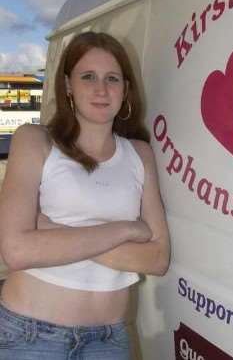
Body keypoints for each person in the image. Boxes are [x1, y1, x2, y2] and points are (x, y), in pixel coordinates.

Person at [0, 31, 170, 359]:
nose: (101, 89)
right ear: (67, 86)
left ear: (126, 89)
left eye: (112, 79)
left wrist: (52, 232)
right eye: (88, 76)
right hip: (30, 337)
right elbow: (18, 251)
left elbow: (157, 259)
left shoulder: (140, 153)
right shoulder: (35, 141)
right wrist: (126, 230)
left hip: (108, 341)